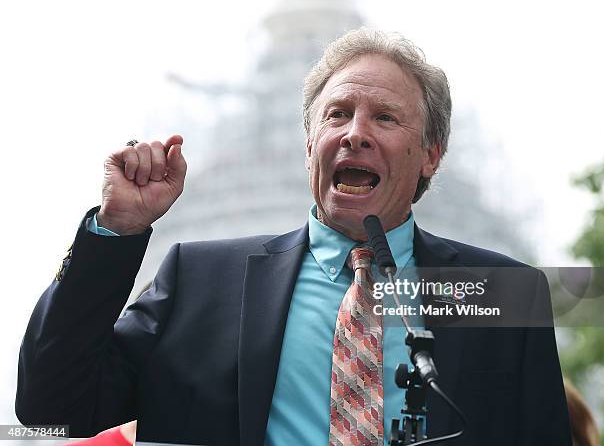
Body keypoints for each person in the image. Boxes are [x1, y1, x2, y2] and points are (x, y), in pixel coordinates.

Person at [16, 28, 571, 445]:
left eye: (384, 118)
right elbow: (52, 407)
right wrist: (117, 231)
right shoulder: (199, 280)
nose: (355, 134)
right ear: (310, 146)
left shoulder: (500, 291)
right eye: (337, 115)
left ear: (431, 154)